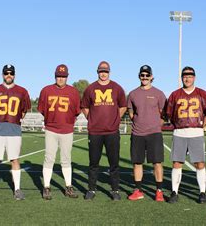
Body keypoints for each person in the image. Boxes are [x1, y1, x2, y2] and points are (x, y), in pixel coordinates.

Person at [0, 64, 31, 201]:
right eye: (6, 73)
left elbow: (24, 110)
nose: (9, 75)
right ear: (2, 74)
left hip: (14, 129)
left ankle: (17, 189)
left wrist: (16, 120)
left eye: (11, 73)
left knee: (15, 159)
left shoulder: (22, 91)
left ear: (14, 74)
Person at [81, 61, 127, 201]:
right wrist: (92, 119)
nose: (103, 73)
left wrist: (115, 119)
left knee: (114, 163)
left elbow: (123, 106)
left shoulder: (117, 88)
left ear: (109, 72)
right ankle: (91, 189)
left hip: (112, 131)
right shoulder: (90, 88)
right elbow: (84, 107)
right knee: (94, 163)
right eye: (101, 71)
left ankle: (115, 190)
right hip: (95, 132)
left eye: (105, 71)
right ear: (97, 72)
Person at [165, 66, 206, 204]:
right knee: (177, 163)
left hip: (196, 132)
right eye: (185, 75)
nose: (187, 78)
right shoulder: (175, 94)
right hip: (180, 132)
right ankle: (174, 192)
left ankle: (202, 192)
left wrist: (203, 125)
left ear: (194, 77)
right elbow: (169, 114)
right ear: (181, 77)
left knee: (199, 163)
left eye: (190, 75)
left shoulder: (202, 93)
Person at [38, 64, 81, 200]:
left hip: (67, 130)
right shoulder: (46, 90)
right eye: (58, 76)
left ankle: (68, 186)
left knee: (66, 159)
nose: (61, 79)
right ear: (55, 76)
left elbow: (76, 111)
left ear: (67, 77)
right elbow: (42, 109)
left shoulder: (73, 92)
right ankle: (46, 187)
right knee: (49, 158)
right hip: (51, 129)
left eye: (63, 76)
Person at [127, 65, 167, 202]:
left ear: (152, 77)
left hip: (154, 133)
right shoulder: (133, 94)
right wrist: (139, 122)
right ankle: (138, 190)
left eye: (147, 75)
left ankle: (159, 191)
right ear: (139, 76)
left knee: (157, 162)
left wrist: (155, 124)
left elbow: (164, 114)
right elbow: (131, 112)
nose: (144, 77)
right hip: (137, 133)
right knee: (137, 163)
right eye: (142, 75)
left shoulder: (159, 93)